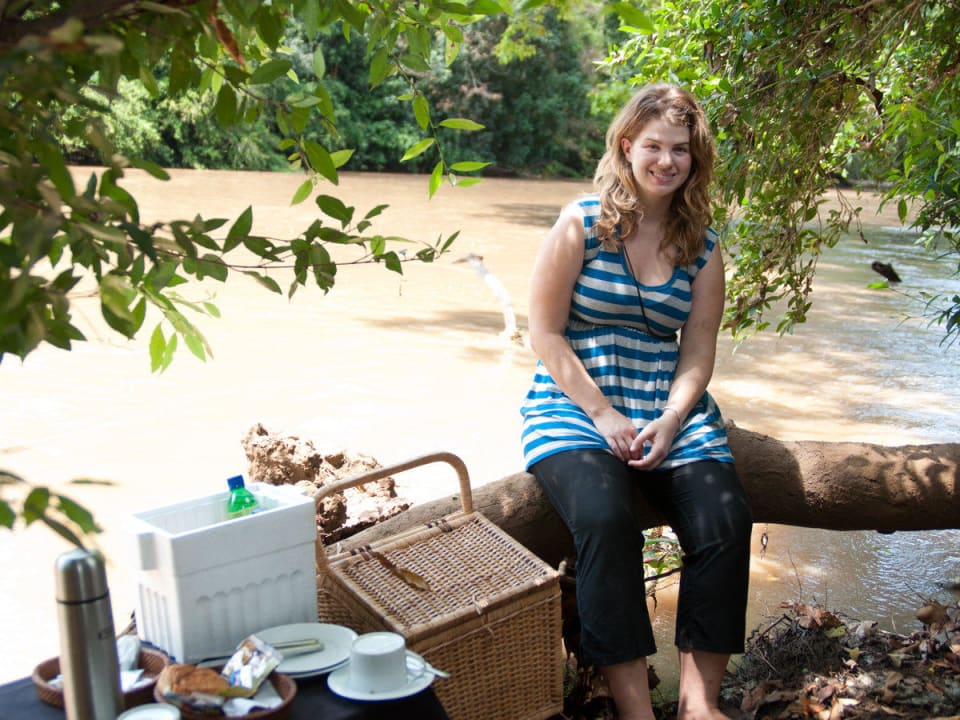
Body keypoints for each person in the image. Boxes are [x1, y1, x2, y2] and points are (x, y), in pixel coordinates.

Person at [520, 83, 753, 720]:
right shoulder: (581, 222)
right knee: (603, 519)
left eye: (680, 149)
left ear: (694, 159)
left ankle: (699, 703)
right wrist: (601, 413)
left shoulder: (703, 243)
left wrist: (674, 418)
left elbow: (699, 349)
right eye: (653, 145)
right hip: (577, 405)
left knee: (725, 522)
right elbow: (543, 331)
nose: (666, 161)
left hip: (669, 410)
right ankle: (634, 706)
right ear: (628, 146)